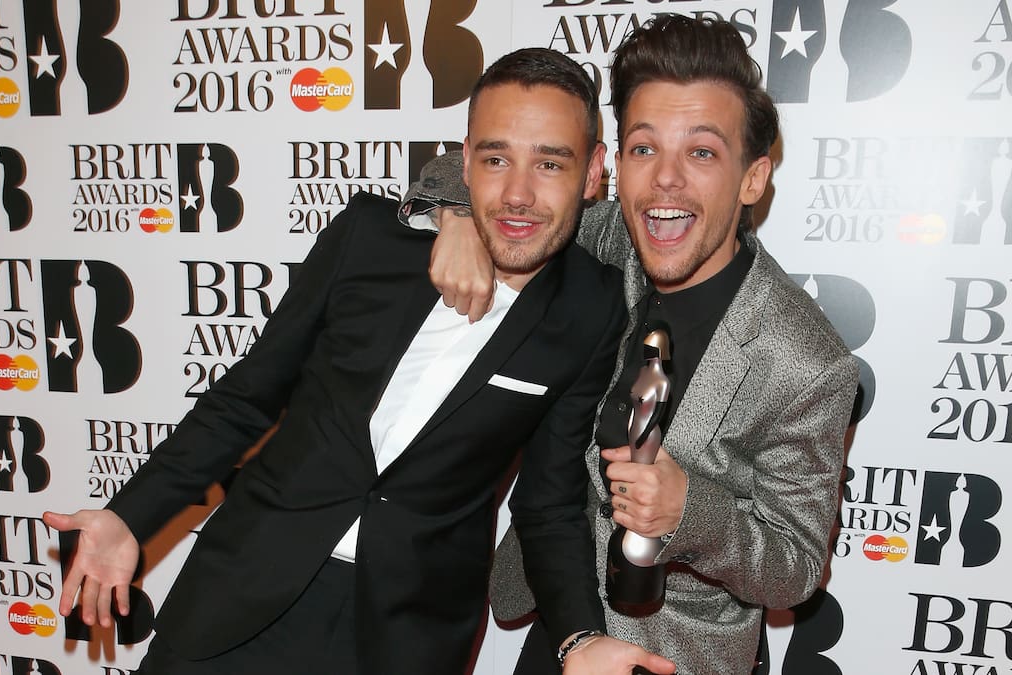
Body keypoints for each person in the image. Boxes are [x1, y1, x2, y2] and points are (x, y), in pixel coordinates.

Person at [43, 48, 676, 675]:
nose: (518, 194)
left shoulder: (591, 311)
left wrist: (579, 638)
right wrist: (131, 516)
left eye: (550, 164)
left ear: (594, 171)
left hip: (406, 635)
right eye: (495, 159)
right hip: (242, 595)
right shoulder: (370, 237)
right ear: (464, 161)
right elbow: (245, 399)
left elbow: (548, 504)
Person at [400, 15, 859, 674]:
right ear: (616, 164)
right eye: (645, 149)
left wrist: (689, 511)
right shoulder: (607, 238)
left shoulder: (805, 360)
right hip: (562, 625)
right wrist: (459, 217)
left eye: (702, 153)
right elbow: (488, 172)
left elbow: (797, 567)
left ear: (753, 179)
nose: (665, 179)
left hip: (675, 655)